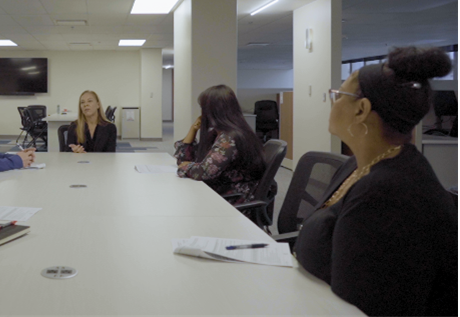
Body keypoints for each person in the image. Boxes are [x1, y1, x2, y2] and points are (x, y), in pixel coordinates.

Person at [295, 46, 458, 317]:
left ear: (361, 110)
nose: (332, 101)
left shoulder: (388, 192)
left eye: (337, 95)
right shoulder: (358, 165)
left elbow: (365, 304)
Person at [174, 85, 265, 202]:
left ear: (212, 111)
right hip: (223, 190)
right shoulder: (219, 133)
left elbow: (204, 172)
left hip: (234, 198)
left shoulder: (229, 138)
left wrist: (185, 167)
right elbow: (184, 159)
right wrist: (193, 129)